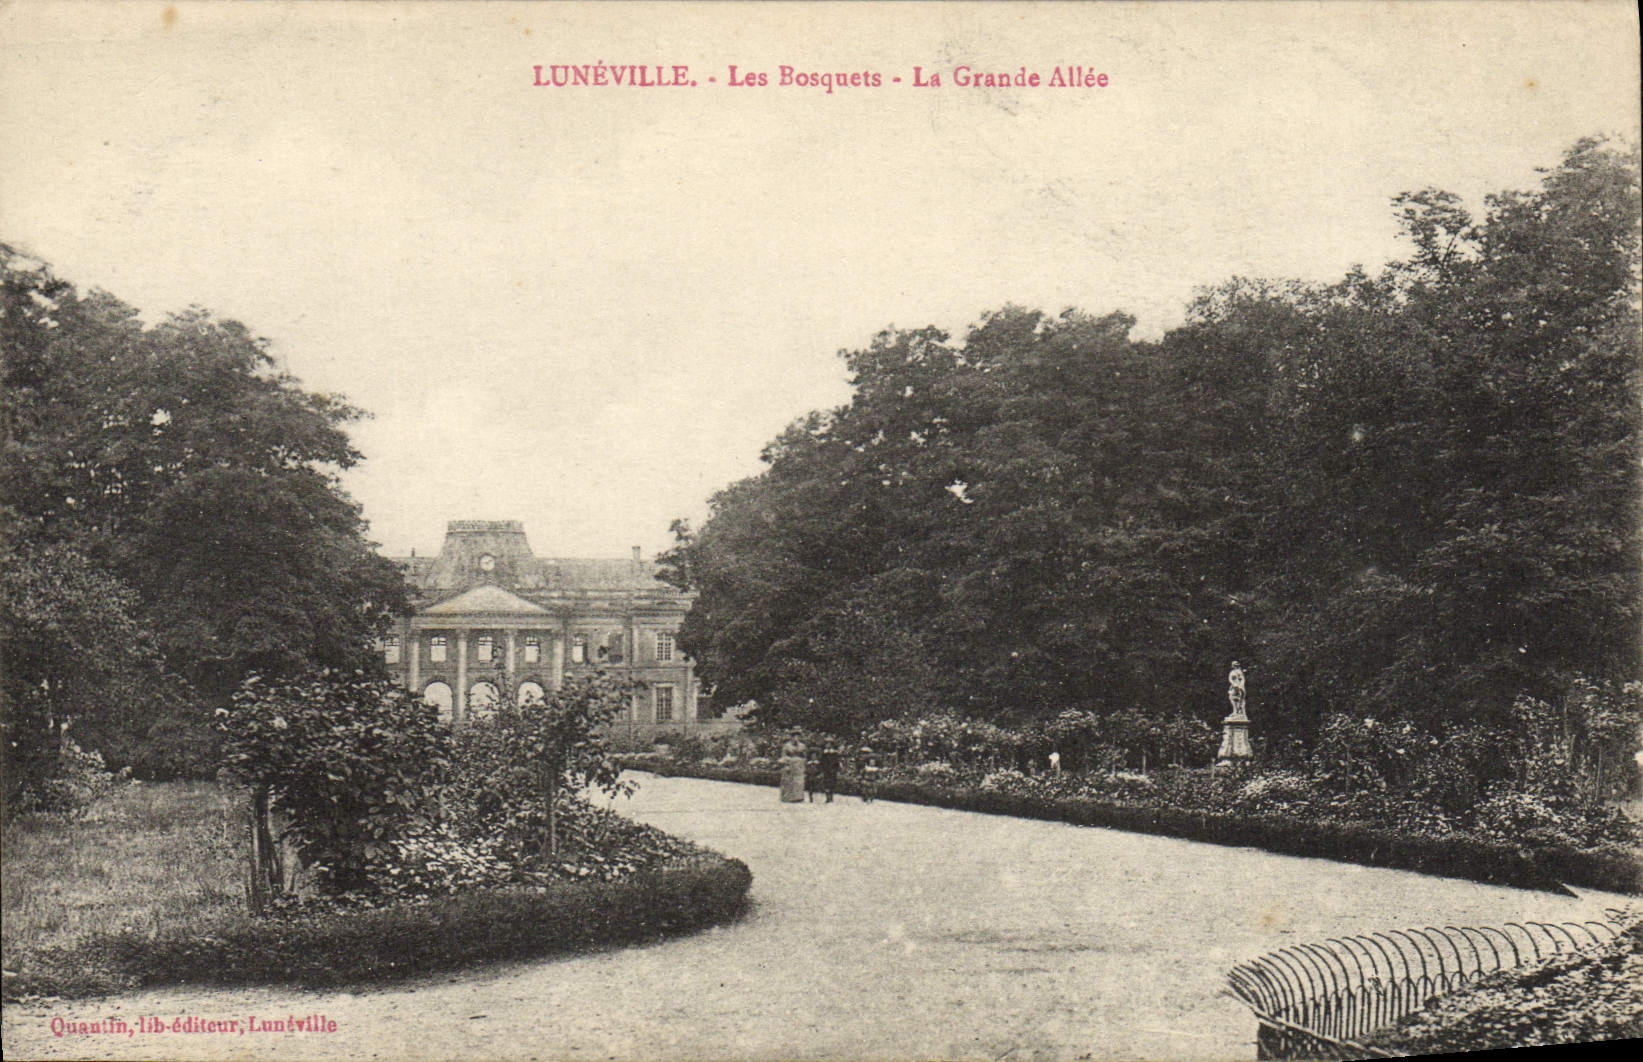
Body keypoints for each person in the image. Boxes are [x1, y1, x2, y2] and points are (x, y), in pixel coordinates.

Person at [779, 733, 807, 803]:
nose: (796, 738)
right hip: (790, 763)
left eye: (797, 737)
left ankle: (798, 797)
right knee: (788, 780)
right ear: (791, 737)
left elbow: (804, 756)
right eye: (794, 736)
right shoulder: (787, 746)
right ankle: (787, 797)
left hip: (799, 765)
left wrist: (803, 763)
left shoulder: (802, 746)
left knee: (798, 781)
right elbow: (783, 755)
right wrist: (786, 763)